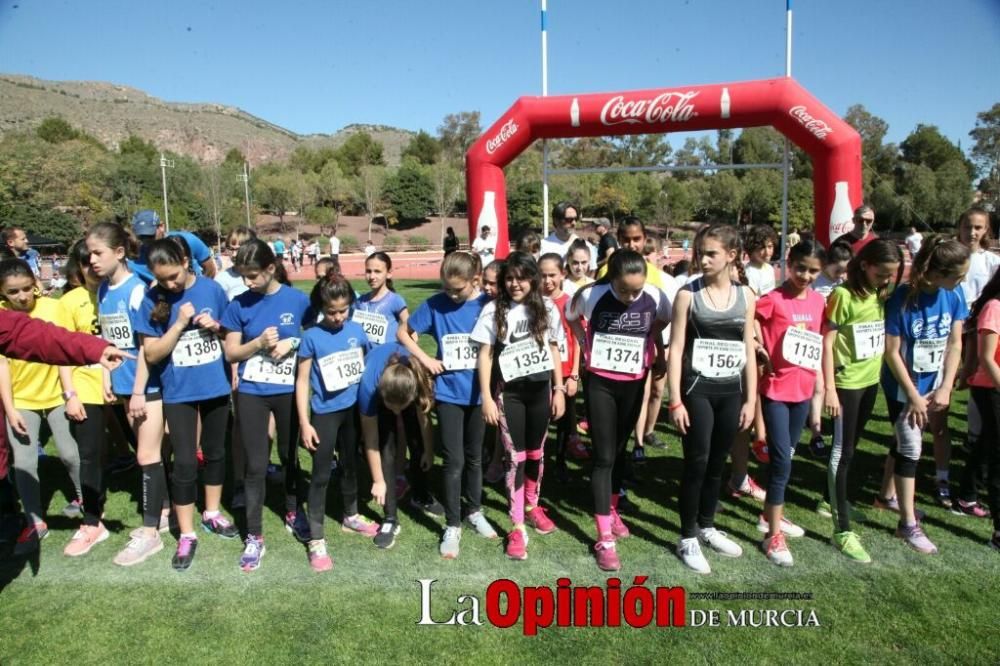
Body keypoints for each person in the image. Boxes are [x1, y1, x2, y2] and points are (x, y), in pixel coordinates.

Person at [135, 237, 238, 571]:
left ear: (184, 260)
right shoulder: (152, 298)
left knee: (215, 453)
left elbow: (231, 334)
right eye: (163, 278)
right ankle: (187, 533)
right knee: (183, 463)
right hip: (178, 391)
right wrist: (179, 324)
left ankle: (211, 512)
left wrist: (218, 328)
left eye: (174, 275)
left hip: (215, 386)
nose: (170, 283)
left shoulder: (211, 289)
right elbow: (150, 354)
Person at [568, 249, 671, 571]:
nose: (630, 297)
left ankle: (612, 510)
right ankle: (604, 537)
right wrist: (585, 347)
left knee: (621, 449)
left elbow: (663, 320)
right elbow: (571, 317)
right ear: (611, 279)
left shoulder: (655, 295)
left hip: (634, 381)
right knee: (603, 456)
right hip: (600, 382)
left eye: (635, 291)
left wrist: (653, 346)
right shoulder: (592, 295)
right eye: (624, 290)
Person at [668, 224, 756, 575]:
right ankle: (687, 536)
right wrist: (675, 400)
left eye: (711, 253)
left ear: (731, 256)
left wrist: (751, 400)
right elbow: (675, 351)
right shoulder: (688, 295)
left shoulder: (747, 296)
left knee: (718, 461)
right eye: (700, 253)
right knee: (697, 461)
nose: (702, 259)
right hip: (697, 391)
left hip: (730, 391)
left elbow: (748, 347)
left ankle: (707, 525)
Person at [397, 251, 493, 559]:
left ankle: (474, 510)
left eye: (458, 289)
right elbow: (404, 332)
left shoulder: (487, 306)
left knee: (475, 457)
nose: (451, 294)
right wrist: (425, 359)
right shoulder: (436, 304)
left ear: (474, 280)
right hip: (450, 394)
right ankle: (453, 524)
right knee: (453, 461)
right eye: (447, 288)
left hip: (480, 394)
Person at [222, 239, 310, 571]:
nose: (248, 283)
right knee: (256, 465)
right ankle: (254, 537)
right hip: (252, 393)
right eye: (243, 276)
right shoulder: (238, 304)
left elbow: (317, 335)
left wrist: (294, 341)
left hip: (288, 391)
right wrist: (257, 343)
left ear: (271, 269)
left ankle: (292, 510)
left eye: (254, 276)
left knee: (289, 455)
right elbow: (231, 352)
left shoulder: (297, 299)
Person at [87, 222, 170, 566]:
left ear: (119, 253)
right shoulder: (104, 289)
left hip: (145, 386)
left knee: (146, 456)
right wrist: (106, 375)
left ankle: (150, 534)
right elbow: (109, 338)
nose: (91, 259)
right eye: (89, 253)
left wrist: (137, 391)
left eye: (98, 253)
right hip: (123, 386)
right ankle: (164, 510)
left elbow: (145, 346)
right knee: (151, 451)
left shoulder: (138, 291)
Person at [879, 236, 969, 555]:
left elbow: (955, 343)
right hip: (903, 388)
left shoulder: (954, 294)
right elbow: (891, 353)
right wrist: (914, 396)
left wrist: (945, 386)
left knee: (904, 440)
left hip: (933, 384)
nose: (962, 281)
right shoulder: (902, 299)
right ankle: (906, 524)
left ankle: (887, 497)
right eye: (958, 275)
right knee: (911, 448)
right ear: (939, 272)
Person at [473, 252, 565, 560]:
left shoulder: (547, 307)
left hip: (540, 392)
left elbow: (554, 348)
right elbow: (484, 355)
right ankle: (516, 525)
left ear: (533, 279)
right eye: (509, 278)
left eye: (521, 277)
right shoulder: (493, 310)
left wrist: (560, 389)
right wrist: (486, 396)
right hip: (509, 395)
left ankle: (532, 505)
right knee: (515, 457)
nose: (515, 284)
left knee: (537, 453)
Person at [822, 239, 902, 563]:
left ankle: (829, 501)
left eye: (891, 275)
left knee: (851, 448)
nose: (887, 280)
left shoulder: (880, 294)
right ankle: (842, 531)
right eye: (882, 273)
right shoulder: (842, 295)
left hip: (870, 381)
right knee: (841, 453)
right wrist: (828, 387)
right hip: (846, 384)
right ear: (865, 264)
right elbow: (826, 343)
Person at [0, 259, 84, 555]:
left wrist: (69, 393)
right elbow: (2, 367)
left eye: (26, 288)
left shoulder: (52, 308)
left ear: (35, 282)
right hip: (21, 400)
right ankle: (35, 522)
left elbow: (63, 351)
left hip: (56, 395)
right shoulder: (1, 317)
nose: (22, 296)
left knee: (70, 454)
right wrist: (10, 410)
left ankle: (84, 500)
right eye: (13, 292)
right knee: (23, 462)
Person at [295, 272, 377, 572]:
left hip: (354, 411)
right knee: (319, 474)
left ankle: (351, 514)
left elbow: (369, 366)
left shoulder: (357, 330)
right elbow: (302, 382)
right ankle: (316, 537)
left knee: (351, 466)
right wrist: (305, 422)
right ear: (321, 307)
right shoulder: (312, 337)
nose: (338, 317)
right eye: (332, 311)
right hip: (325, 414)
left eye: (343, 310)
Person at [753, 241, 827, 566]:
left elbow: (819, 343)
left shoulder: (818, 302)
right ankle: (773, 535)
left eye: (813, 271)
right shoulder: (772, 299)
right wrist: (758, 344)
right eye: (800, 268)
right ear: (789, 263)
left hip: (803, 391)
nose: (805, 276)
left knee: (787, 457)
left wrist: (822, 389)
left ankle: (767, 514)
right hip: (775, 391)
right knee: (782, 460)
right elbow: (750, 318)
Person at [57, 240, 113, 557]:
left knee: (152, 449)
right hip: (86, 387)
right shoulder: (70, 302)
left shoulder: (121, 291)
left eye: (95, 258)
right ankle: (92, 522)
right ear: (78, 267)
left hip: (123, 384)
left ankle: (160, 512)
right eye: (85, 261)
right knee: (89, 455)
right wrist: (70, 394)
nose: (92, 265)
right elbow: (62, 353)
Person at [359, 343, 444, 549]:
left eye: (402, 408)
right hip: (384, 387)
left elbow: (425, 421)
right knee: (387, 446)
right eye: (392, 408)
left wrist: (429, 452)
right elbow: (371, 442)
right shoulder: (368, 389)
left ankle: (421, 495)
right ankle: (390, 518)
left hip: (404, 384)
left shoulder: (417, 377)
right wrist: (378, 480)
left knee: (416, 439)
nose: (397, 412)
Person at [956, 206, 1000, 492]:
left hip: (981, 331)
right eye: (968, 226)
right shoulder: (951, 256)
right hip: (957, 330)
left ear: (986, 231)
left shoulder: (991, 262)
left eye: (979, 228)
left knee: (977, 390)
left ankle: (975, 443)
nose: (972, 233)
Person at [538, 253, 585, 481]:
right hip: (540, 370)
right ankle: (538, 461)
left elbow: (577, 339)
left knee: (565, 419)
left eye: (552, 275)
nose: (547, 281)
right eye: (542, 275)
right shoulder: (533, 302)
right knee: (541, 418)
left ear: (563, 274)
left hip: (565, 371)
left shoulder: (570, 302)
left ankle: (560, 460)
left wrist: (575, 374)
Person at [964, 268, 1000, 550]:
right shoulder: (994, 308)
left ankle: (967, 493)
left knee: (986, 446)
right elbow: (987, 359)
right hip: (991, 389)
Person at [130, 209, 216, 281]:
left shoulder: (188, 240)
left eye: (150, 236)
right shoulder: (136, 261)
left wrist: (198, 290)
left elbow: (210, 269)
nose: (146, 241)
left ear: (161, 227)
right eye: (141, 237)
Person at [354, 252, 409, 351]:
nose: (372, 276)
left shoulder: (395, 300)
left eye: (377, 271)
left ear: (389, 273)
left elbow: (411, 329)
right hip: (365, 360)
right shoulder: (360, 302)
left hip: (389, 359)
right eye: (368, 271)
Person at [541, 202, 597, 273]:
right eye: (569, 220)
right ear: (556, 221)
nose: (574, 223)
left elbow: (592, 273)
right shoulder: (543, 246)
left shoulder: (586, 246)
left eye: (575, 219)